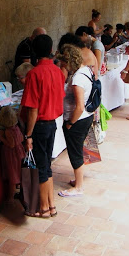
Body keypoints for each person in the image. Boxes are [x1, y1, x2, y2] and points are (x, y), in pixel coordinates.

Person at [21, 34, 65, 218]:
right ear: (50, 50)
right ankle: (51, 205)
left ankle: (44, 208)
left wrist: (28, 135)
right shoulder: (57, 71)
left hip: (39, 126)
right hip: (53, 124)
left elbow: (32, 109)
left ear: (34, 52)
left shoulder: (34, 74)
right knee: (46, 164)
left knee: (40, 166)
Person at [57, 45, 94, 197]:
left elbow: (79, 107)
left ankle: (78, 187)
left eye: (64, 64)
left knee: (75, 152)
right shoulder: (84, 70)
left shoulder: (78, 78)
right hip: (85, 118)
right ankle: (78, 180)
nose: (62, 67)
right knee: (78, 150)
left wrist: (70, 123)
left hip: (78, 120)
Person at [0, 106, 25, 210]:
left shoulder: (8, 131)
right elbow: (21, 138)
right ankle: (21, 192)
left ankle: (10, 198)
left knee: (13, 175)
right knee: (19, 172)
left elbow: (11, 144)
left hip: (12, 155)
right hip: (20, 152)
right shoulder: (17, 127)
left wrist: (1, 137)